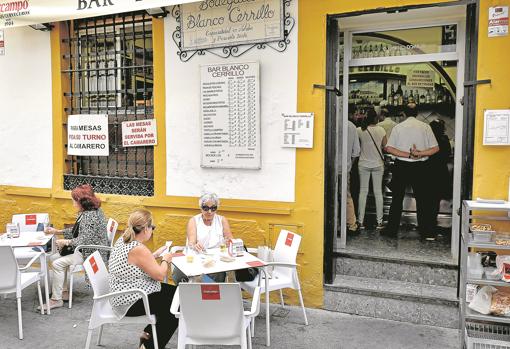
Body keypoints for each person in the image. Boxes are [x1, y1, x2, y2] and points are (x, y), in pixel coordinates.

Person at [109, 209, 178, 349]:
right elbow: (160, 275)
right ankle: (149, 345)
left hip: (122, 293)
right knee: (176, 306)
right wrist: (166, 259)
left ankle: (149, 334)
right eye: (152, 227)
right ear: (146, 228)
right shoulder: (138, 248)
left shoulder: (124, 239)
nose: (152, 230)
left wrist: (155, 255)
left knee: (177, 295)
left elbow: (135, 264)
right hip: (130, 301)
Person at [42, 184, 108, 310]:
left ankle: (56, 300)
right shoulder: (89, 212)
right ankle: (64, 292)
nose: (72, 202)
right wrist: (57, 231)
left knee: (57, 263)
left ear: (81, 201)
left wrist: (66, 242)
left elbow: (85, 239)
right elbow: (77, 231)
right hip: (87, 249)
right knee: (53, 259)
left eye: (74, 199)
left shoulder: (90, 216)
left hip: (91, 252)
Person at [383, 103, 439, 238]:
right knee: (422, 200)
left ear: (405, 113)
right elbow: (436, 148)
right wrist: (419, 154)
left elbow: (389, 148)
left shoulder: (398, 127)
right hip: (420, 167)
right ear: (417, 113)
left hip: (401, 166)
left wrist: (408, 155)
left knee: (397, 199)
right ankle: (425, 231)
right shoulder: (425, 127)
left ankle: (391, 230)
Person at [172, 192, 233, 283]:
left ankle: (209, 294)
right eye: (206, 208)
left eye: (213, 208)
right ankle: (189, 294)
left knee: (218, 274)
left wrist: (229, 242)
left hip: (215, 258)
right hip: (196, 256)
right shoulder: (194, 220)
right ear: (201, 208)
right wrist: (195, 245)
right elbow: (191, 242)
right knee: (179, 275)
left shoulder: (222, 220)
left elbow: (231, 240)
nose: (209, 212)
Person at [357, 109, 387, 230]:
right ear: (376, 118)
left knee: (363, 192)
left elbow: (356, 146)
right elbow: (386, 146)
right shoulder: (381, 130)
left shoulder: (359, 130)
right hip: (378, 164)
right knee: (378, 192)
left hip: (363, 164)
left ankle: (360, 222)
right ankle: (379, 222)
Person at [429, 119, 452, 230]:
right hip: (440, 172)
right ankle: (433, 221)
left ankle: (427, 223)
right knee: (436, 199)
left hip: (428, 171)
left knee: (426, 198)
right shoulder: (444, 139)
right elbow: (448, 154)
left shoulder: (428, 140)